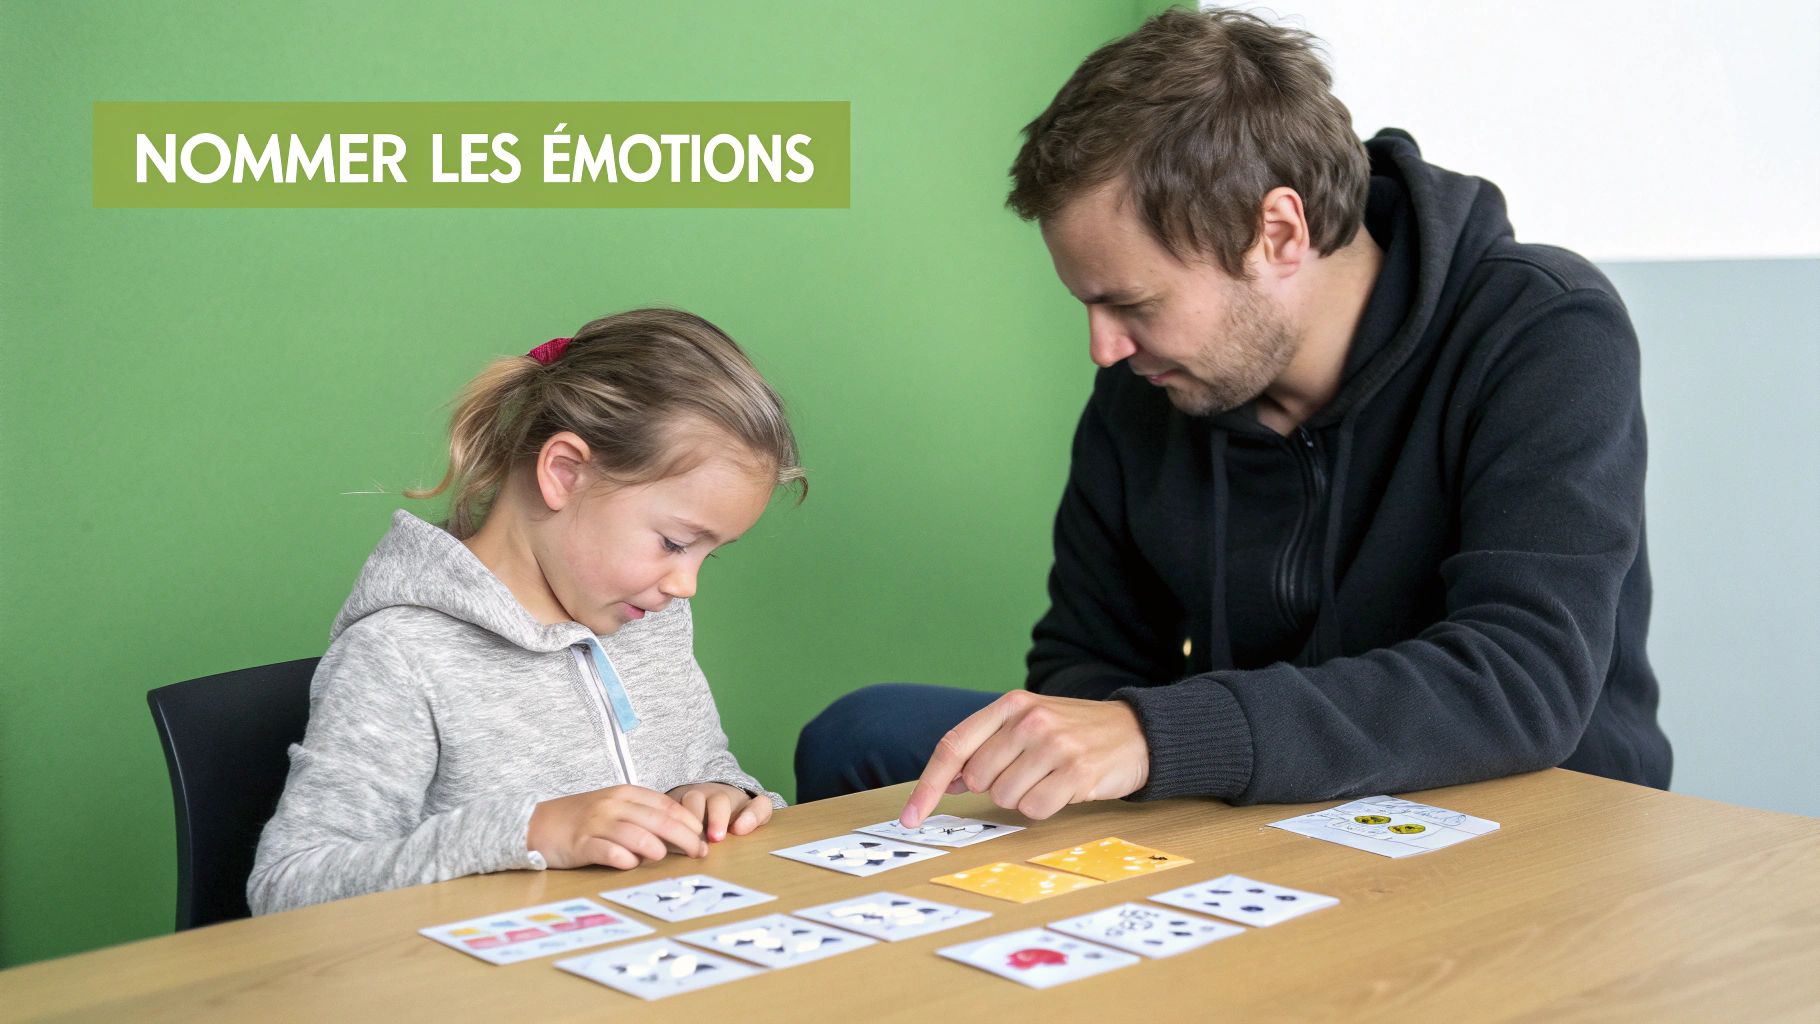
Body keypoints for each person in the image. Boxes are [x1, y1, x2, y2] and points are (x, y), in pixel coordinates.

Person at [795, 7, 1670, 826]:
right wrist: (1119, 743)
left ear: (1279, 233)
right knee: (862, 734)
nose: (1104, 348)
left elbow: (1522, 682)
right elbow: (1084, 663)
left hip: (1520, 811)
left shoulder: (1542, 329)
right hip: (1268, 801)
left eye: (1131, 302)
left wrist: (1161, 736)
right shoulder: (1148, 386)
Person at [250, 308, 803, 914]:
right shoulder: (399, 653)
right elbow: (289, 885)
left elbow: (704, 763)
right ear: (564, 473)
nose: (686, 583)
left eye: (708, 555)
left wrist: (720, 792)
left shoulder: (650, 622)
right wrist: (528, 833)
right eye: (674, 543)